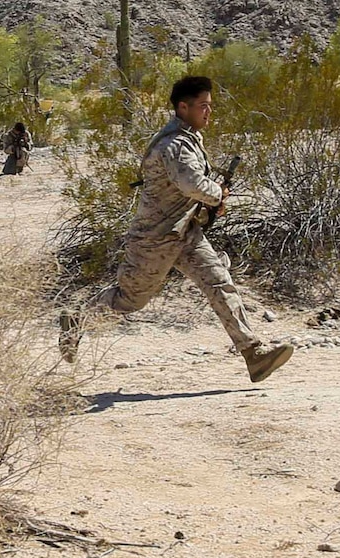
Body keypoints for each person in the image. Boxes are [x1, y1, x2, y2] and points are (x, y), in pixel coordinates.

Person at [59, 76, 294, 383]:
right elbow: (191, 184)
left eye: (210, 106)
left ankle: (254, 353)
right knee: (129, 300)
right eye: (203, 106)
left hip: (184, 234)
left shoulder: (189, 139)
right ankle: (77, 320)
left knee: (219, 283)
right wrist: (216, 194)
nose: (208, 112)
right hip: (154, 239)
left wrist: (210, 204)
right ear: (183, 107)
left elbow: (188, 191)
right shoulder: (174, 145)